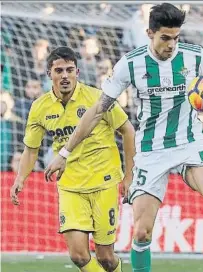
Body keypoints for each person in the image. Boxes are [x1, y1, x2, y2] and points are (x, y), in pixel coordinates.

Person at [45, 4, 203, 272]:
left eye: (176, 38)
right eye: (165, 38)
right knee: (142, 232)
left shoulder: (195, 57)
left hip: (189, 142)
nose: (171, 45)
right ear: (149, 33)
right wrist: (64, 153)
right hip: (150, 150)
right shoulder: (130, 64)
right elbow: (98, 110)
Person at [10, 46, 136, 272]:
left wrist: (129, 176)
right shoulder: (39, 108)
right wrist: (20, 178)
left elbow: (128, 131)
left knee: (106, 258)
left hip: (103, 182)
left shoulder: (98, 98)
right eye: (59, 70)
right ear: (49, 73)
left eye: (69, 70)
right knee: (78, 255)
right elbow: (31, 149)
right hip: (70, 185)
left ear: (78, 72)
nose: (65, 75)